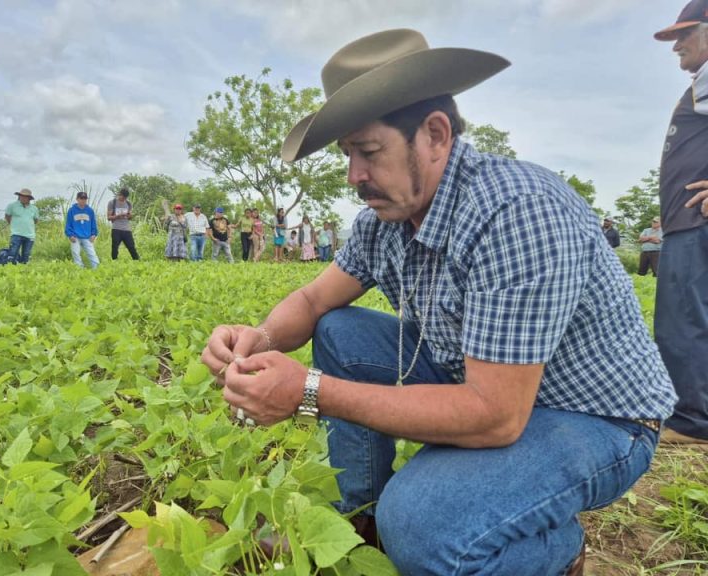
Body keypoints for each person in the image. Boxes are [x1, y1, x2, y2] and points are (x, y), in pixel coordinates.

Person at [201, 29, 676, 575]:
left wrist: (308, 391)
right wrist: (257, 338)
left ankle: (554, 554)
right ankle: (358, 517)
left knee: (424, 521)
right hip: (483, 381)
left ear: (434, 134)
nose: (355, 175)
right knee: (338, 327)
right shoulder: (386, 217)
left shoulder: (516, 211)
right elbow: (312, 299)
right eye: (348, 154)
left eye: (369, 151)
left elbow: (495, 416)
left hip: (593, 417)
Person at [654, 0, 708, 444]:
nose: (676, 47)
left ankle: (689, 421)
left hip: (694, 223)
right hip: (687, 219)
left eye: (684, 35)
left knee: (683, 318)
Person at [65, 191, 99, 269]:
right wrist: (70, 235)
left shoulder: (90, 210)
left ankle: (97, 268)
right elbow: (68, 224)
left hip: (87, 236)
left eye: (85, 199)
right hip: (75, 236)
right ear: (77, 199)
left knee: (92, 253)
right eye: (81, 198)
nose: (83, 200)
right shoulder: (71, 210)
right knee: (75, 253)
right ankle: (80, 269)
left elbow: (93, 223)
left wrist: (94, 234)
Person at [4, 188, 39, 264]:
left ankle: (24, 271)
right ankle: (10, 269)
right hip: (16, 234)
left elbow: (36, 220)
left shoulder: (34, 208)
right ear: (19, 196)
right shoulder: (12, 206)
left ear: (29, 198)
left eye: (25, 197)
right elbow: (7, 216)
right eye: (21, 196)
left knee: (26, 255)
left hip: (29, 235)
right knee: (12, 254)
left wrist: (27, 224)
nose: (23, 198)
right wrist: (14, 225)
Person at [107, 188, 140, 260]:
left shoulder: (128, 203)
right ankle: (114, 262)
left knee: (131, 246)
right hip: (116, 228)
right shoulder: (112, 203)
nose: (124, 199)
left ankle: (137, 261)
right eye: (122, 197)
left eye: (125, 197)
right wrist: (117, 216)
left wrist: (129, 215)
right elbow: (109, 217)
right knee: (115, 247)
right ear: (119, 194)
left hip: (126, 229)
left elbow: (130, 218)